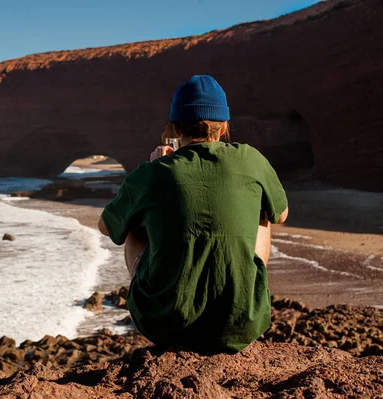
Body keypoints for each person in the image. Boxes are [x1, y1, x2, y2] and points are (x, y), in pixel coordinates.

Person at [98, 75, 288, 354]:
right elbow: (281, 214)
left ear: (174, 127)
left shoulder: (152, 173)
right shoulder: (252, 159)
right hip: (240, 324)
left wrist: (155, 171)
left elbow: (107, 227)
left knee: (135, 220)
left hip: (164, 324)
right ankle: (243, 293)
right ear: (223, 127)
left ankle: (160, 297)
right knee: (264, 212)